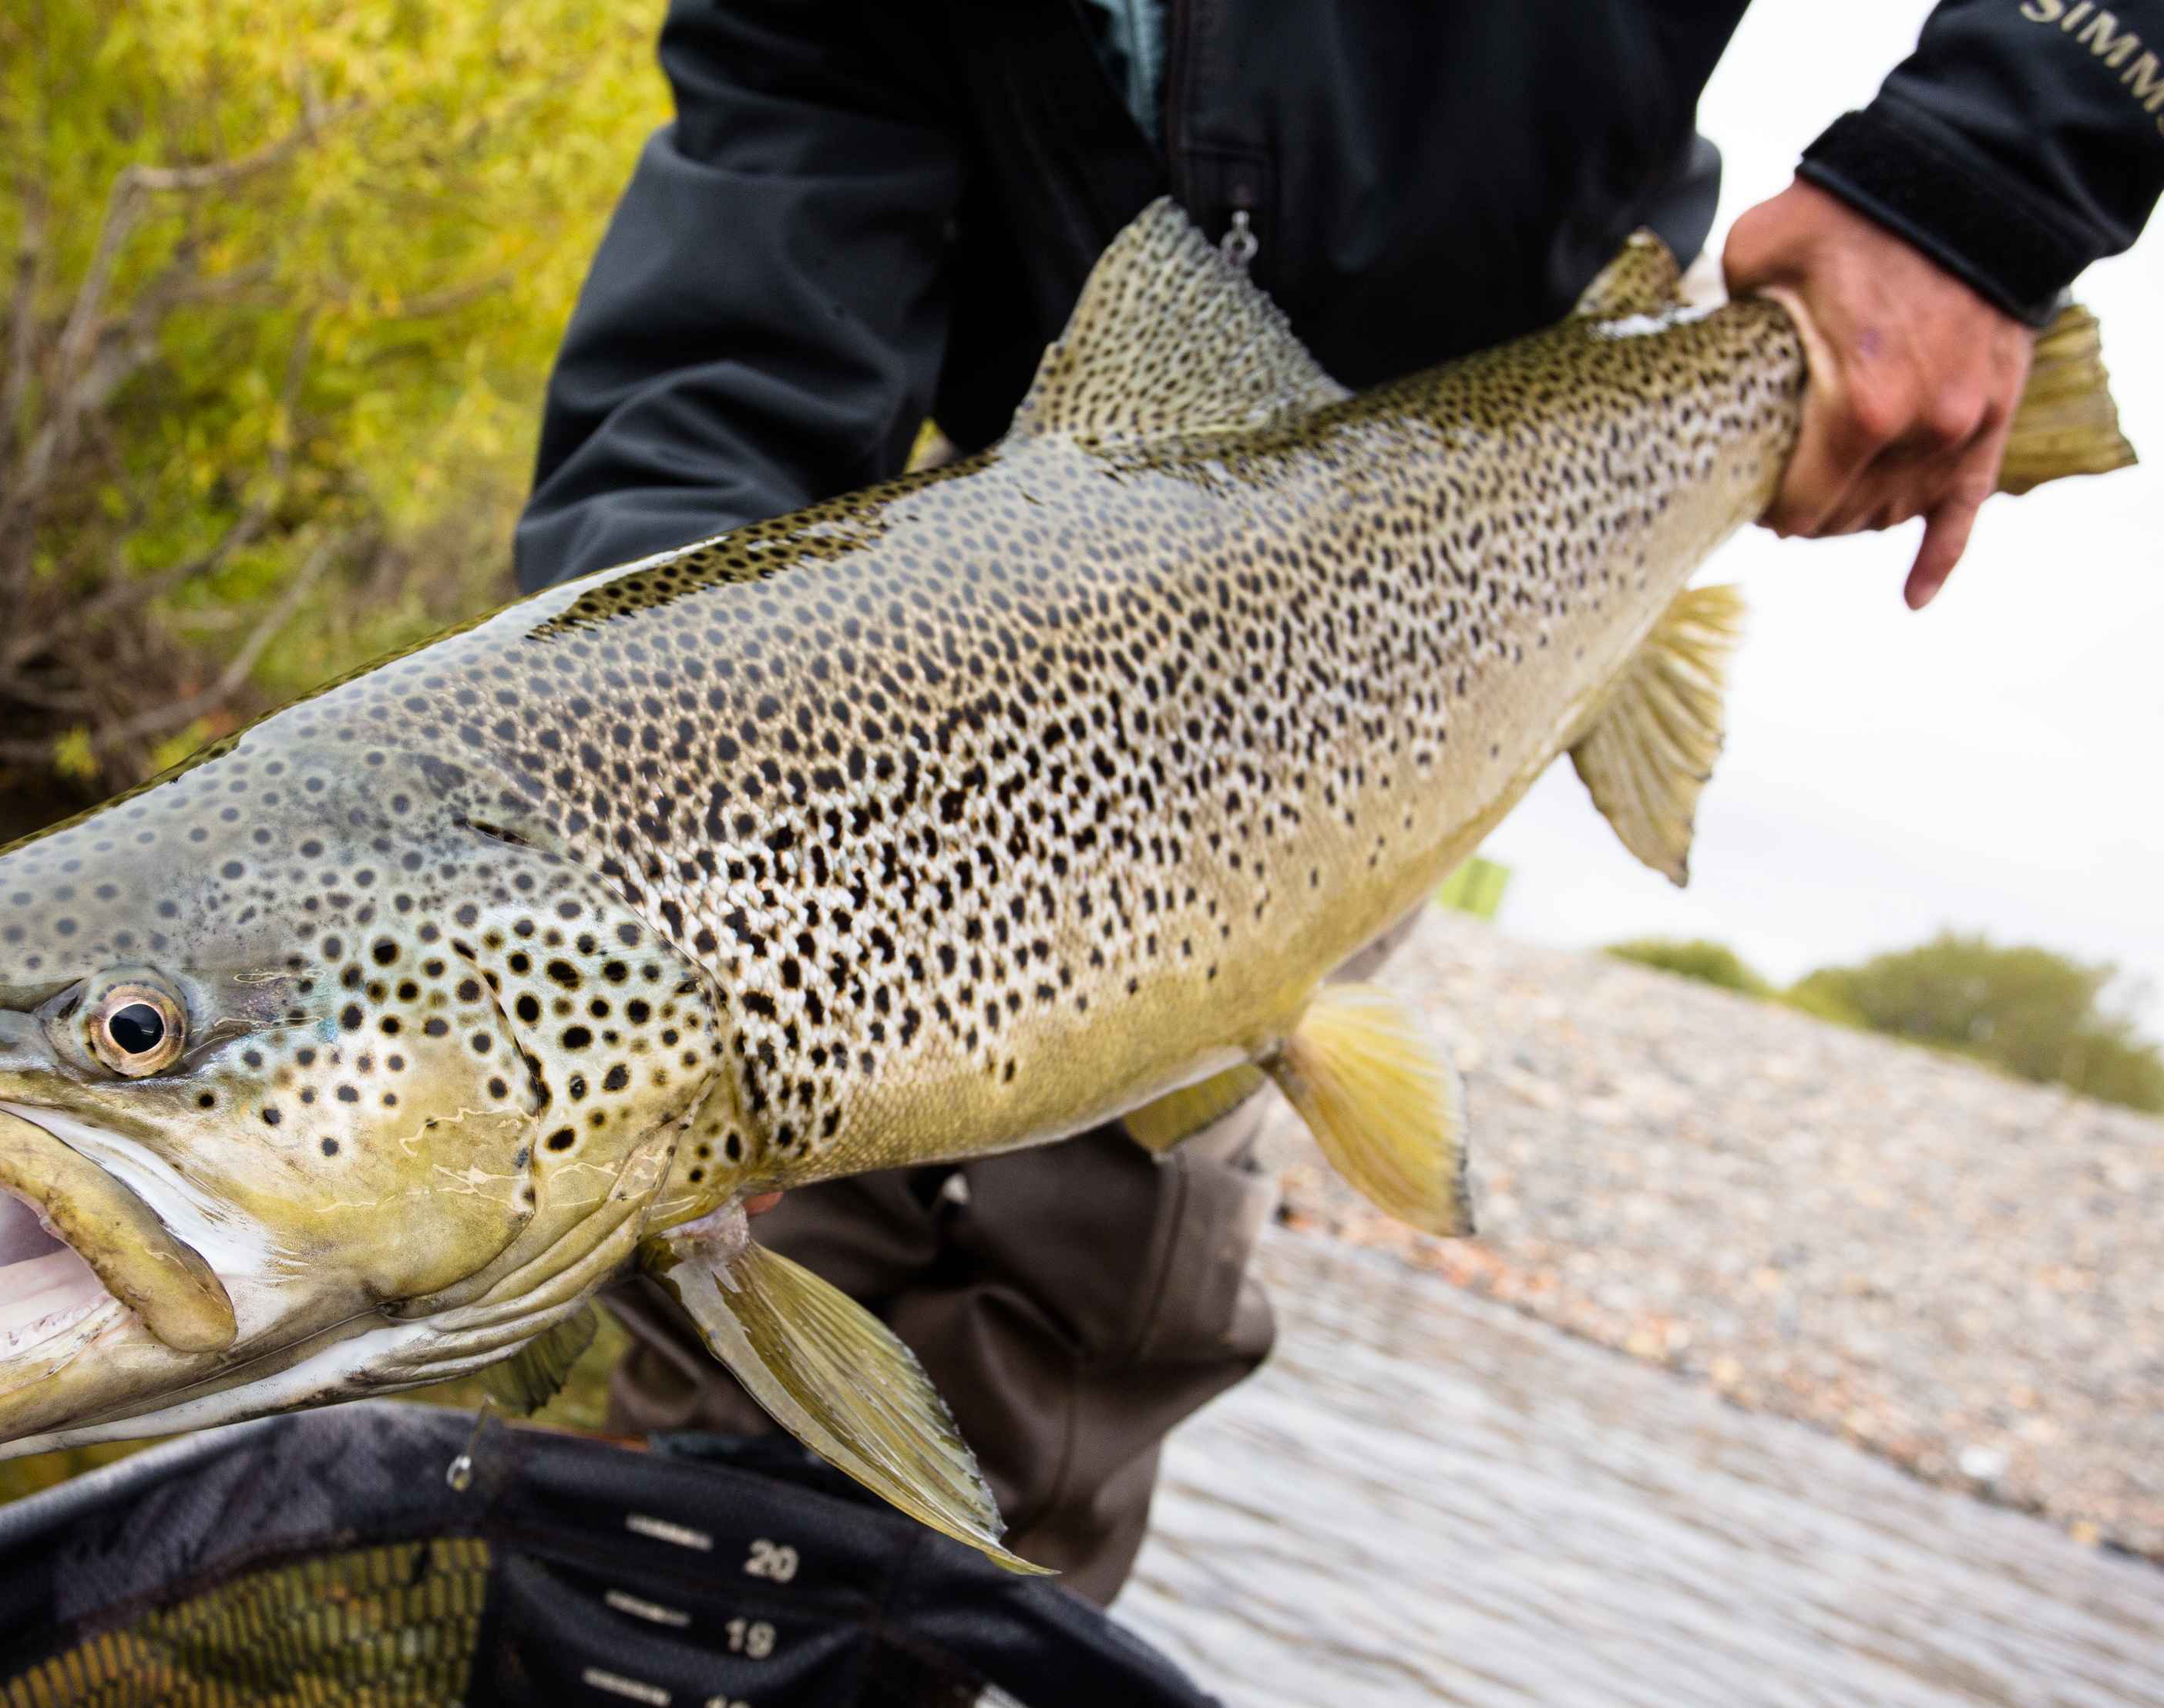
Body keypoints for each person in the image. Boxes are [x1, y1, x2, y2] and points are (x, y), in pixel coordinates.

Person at [517, 0, 2163, 1602]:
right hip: (1016, 561)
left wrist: (1983, 179)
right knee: (719, 1250)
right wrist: (624, 808)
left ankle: (944, 1701)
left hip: (1477, 511)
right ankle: (646, 1681)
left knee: (1096, 1251)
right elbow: (737, 326)